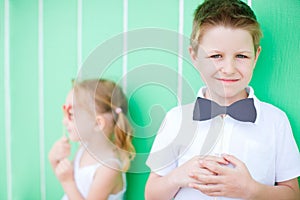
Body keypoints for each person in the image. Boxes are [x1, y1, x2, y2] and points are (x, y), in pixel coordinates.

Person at [145, 0, 300, 199]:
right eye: (216, 55)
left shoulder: (275, 121)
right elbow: (151, 194)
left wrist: (251, 190)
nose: (228, 68)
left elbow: (292, 194)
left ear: (256, 56)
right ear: (194, 56)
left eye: (241, 56)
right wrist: (177, 177)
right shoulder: (175, 119)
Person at [49, 79, 135, 200]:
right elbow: (67, 178)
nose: (64, 121)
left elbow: (68, 182)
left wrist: (67, 182)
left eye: (71, 114)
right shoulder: (84, 148)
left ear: (97, 123)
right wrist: (54, 161)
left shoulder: (109, 168)